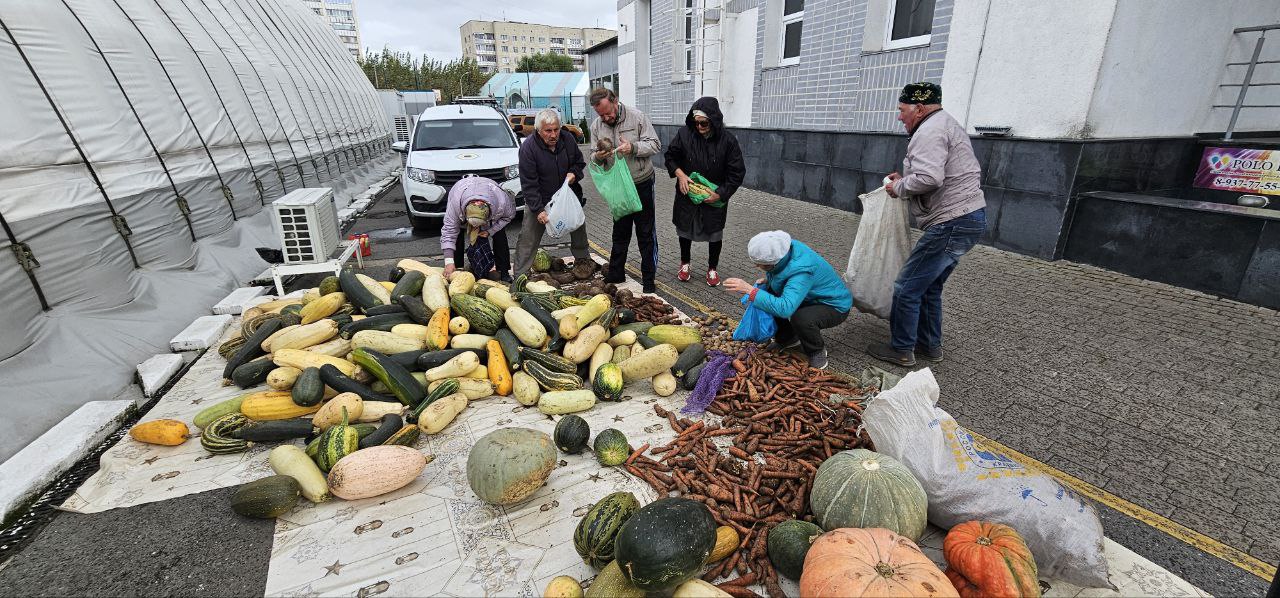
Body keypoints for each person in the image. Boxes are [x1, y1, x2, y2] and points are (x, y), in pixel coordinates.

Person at [866, 82, 987, 367]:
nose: (900, 117)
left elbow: (930, 178)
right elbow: (931, 172)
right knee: (929, 286)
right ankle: (929, 346)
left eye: (902, 110)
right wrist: (906, 180)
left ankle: (902, 349)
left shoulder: (929, 130)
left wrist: (898, 188)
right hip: (968, 218)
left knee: (906, 286)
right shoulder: (945, 124)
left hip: (952, 221)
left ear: (919, 108)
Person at [723, 231, 852, 370]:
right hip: (810, 297)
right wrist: (769, 281)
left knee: (801, 318)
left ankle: (817, 352)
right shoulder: (784, 250)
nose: (758, 267)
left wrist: (750, 291)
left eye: (761, 265)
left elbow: (785, 309)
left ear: (774, 263)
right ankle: (788, 339)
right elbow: (784, 275)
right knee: (769, 292)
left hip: (833, 305)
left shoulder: (802, 270)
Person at [663, 96, 745, 287]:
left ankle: (712, 268)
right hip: (688, 192)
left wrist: (721, 194)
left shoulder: (728, 140)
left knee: (715, 233)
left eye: (704, 123)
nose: (699, 127)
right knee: (685, 229)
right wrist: (680, 175)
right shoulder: (684, 134)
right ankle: (685, 263)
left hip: (713, 195)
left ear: (714, 121)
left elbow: (737, 172)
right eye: (696, 122)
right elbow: (670, 157)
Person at [589, 87, 662, 293]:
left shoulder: (637, 117)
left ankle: (649, 280)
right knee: (620, 232)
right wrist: (598, 157)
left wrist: (633, 147)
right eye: (601, 115)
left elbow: (655, 145)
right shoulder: (596, 126)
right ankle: (616, 273)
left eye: (608, 112)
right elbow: (593, 155)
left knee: (645, 232)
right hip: (618, 187)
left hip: (641, 182)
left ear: (615, 101)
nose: (606, 118)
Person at [514, 108, 593, 279]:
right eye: (548, 131)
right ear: (538, 130)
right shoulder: (528, 148)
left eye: (556, 129)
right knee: (528, 236)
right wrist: (538, 209)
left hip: (566, 196)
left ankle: (583, 261)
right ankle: (521, 274)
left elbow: (579, 163)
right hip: (541, 199)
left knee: (578, 225)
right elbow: (529, 183)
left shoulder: (568, 139)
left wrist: (574, 173)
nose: (553, 135)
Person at [439, 175, 515, 281]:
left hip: (490, 192)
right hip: (461, 190)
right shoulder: (456, 205)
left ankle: (503, 271)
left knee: (499, 235)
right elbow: (449, 232)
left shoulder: (502, 203)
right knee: (456, 234)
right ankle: (456, 268)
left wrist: (490, 231)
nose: (475, 227)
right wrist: (448, 261)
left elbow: (508, 217)